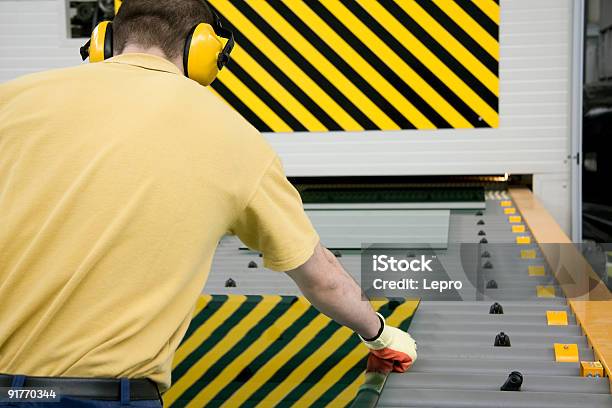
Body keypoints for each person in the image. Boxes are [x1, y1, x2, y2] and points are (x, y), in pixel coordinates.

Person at [0, 0, 416, 406]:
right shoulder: (234, 139)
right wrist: (379, 334)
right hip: (100, 395)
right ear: (203, 52)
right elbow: (321, 278)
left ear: (103, 42)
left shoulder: (12, 100)